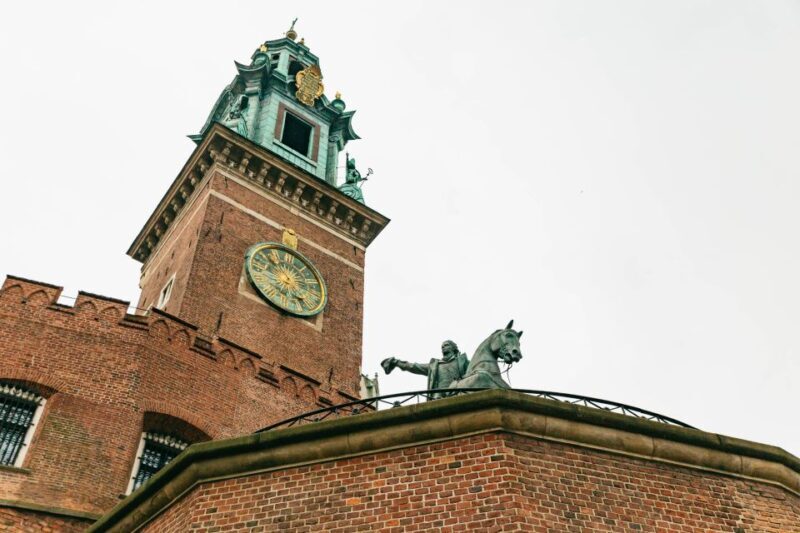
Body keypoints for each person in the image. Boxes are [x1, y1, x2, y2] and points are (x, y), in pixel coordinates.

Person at [381, 340, 469, 399]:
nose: (443, 347)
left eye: (446, 345)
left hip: (458, 396)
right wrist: (397, 362)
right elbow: (414, 367)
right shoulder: (435, 366)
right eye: (442, 346)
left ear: (453, 348)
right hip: (438, 398)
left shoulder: (463, 362)